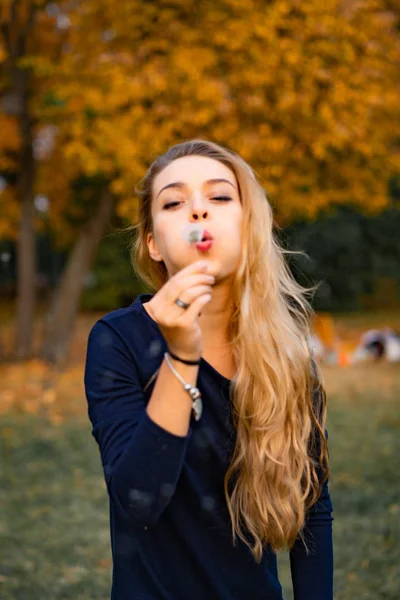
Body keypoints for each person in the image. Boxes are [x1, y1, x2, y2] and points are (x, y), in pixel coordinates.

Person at [84, 140, 334, 600]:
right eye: (174, 202)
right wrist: (181, 357)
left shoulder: (287, 354)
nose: (198, 210)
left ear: (248, 225)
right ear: (153, 243)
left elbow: (311, 507)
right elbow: (139, 501)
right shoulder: (118, 340)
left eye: (219, 197)